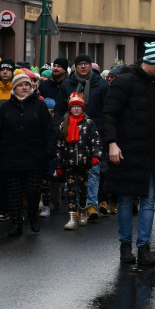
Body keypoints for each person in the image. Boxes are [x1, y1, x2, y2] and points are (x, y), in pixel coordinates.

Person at [102, 42, 155, 267]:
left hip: (152, 154)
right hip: (126, 152)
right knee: (125, 200)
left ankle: (144, 247)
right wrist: (112, 143)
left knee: (149, 201)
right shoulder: (124, 82)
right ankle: (125, 246)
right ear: (151, 62)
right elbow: (109, 114)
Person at [0, 72, 53, 236]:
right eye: (20, 85)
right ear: (14, 88)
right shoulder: (6, 108)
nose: (24, 88)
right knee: (14, 192)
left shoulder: (39, 106)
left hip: (34, 156)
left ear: (31, 87)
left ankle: (32, 216)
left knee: (32, 190)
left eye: (27, 85)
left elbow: (49, 131)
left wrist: (49, 151)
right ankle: (16, 222)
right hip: (11, 157)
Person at [61, 54, 108, 218]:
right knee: (74, 174)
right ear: (75, 66)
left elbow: (106, 109)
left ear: (90, 66)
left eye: (86, 63)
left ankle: (91, 205)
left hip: (94, 133)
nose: (83, 66)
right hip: (71, 133)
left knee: (94, 170)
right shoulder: (67, 84)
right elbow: (61, 108)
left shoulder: (100, 84)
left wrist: (102, 129)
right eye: (80, 63)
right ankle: (77, 206)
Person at [55, 93, 102, 230]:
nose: (76, 109)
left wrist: (96, 156)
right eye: (73, 107)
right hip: (68, 162)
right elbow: (59, 146)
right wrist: (58, 164)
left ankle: (82, 210)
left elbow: (96, 141)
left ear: (83, 108)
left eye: (78, 107)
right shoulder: (64, 124)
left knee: (83, 188)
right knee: (70, 190)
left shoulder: (89, 123)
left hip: (84, 162)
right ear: (69, 109)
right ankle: (71, 217)